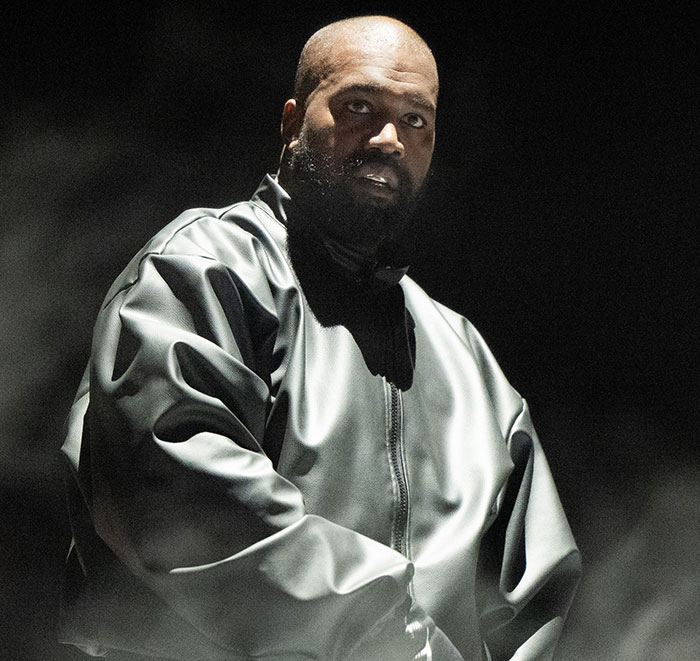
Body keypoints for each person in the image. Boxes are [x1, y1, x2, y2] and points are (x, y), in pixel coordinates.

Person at [59, 15, 580, 661]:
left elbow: (533, 595)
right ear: (292, 122)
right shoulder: (203, 269)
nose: (388, 138)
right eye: (359, 106)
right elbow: (181, 507)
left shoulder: (465, 357)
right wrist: (396, 643)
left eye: (415, 119)